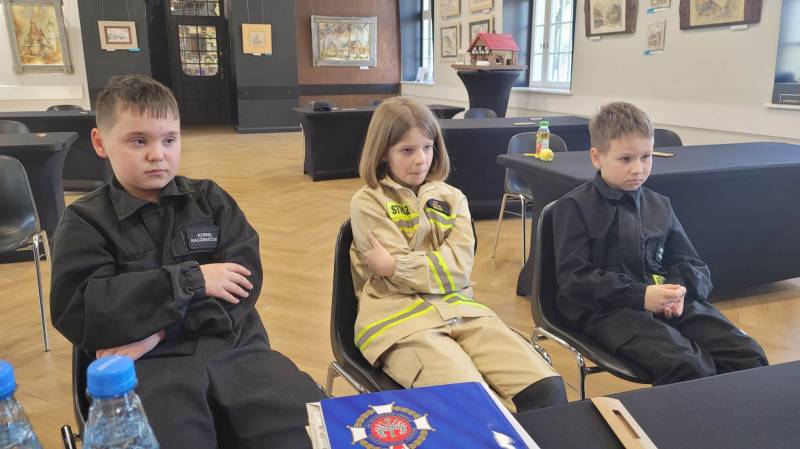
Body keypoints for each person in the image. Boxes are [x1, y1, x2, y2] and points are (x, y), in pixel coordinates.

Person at [50, 74, 324, 449]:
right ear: (100, 142)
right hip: (146, 370)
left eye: (169, 140)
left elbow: (242, 289)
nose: (157, 154)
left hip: (236, 352)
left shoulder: (211, 200)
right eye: (138, 141)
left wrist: (158, 330)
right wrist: (194, 280)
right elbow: (84, 312)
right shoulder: (84, 222)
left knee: (310, 433)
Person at [349, 97, 566, 412]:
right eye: (407, 150)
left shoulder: (454, 198)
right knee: (477, 405)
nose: (420, 160)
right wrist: (422, 268)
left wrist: (396, 266)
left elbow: (459, 269)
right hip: (399, 322)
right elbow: (422, 277)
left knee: (547, 388)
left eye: (427, 147)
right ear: (383, 152)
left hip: (464, 312)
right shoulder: (367, 202)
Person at [552, 101, 768, 385]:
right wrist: (641, 296)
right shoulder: (574, 208)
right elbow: (574, 281)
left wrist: (679, 291)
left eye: (646, 157)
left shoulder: (659, 205)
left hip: (664, 302)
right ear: (597, 157)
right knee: (688, 367)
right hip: (606, 312)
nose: (638, 169)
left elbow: (694, 265)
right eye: (626, 159)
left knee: (748, 356)